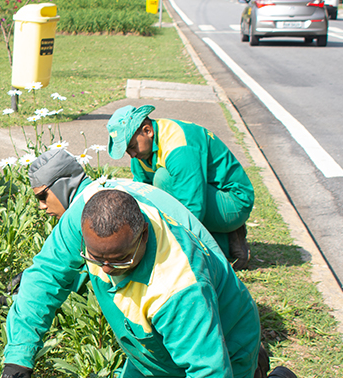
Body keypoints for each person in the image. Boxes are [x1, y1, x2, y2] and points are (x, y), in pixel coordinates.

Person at [0, 184, 323, 378]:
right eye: (97, 259)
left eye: (121, 260)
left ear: (142, 235)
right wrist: (18, 358)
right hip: (151, 350)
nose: (108, 270)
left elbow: (208, 373)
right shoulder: (84, 214)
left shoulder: (177, 281)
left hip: (224, 338)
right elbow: (44, 278)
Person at [106, 104, 254, 270]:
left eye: (132, 147)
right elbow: (141, 193)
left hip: (233, 201)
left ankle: (227, 229)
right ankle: (227, 240)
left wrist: (177, 254)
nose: (132, 155)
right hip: (207, 194)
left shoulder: (179, 147)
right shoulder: (142, 150)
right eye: (127, 150)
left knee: (162, 180)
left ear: (147, 131)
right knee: (156, 191)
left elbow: (192, 207)